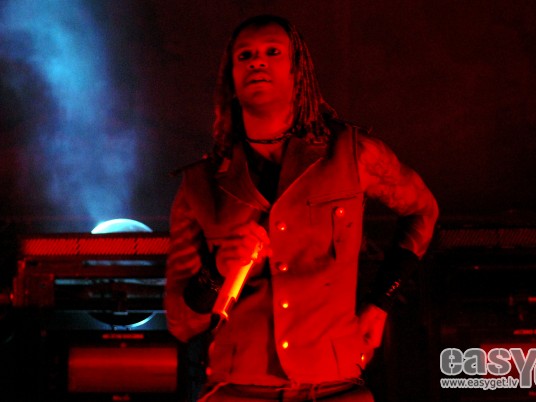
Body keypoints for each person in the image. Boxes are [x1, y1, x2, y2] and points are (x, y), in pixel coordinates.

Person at [165, 14, 438, 402]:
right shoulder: (200, 184)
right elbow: (181, 322)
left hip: (336, 387)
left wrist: (380, 303)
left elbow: (423, 210)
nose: (258, 61)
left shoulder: (352, 154)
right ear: (231, 77)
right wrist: (216, 271)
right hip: (237, 390)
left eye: (272, 52)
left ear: (298, 70)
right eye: (245, 56)